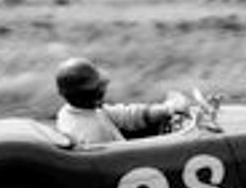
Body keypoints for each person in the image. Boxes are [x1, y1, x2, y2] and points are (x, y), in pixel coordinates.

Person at [54, 57, 187, 145]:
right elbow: (124, 160)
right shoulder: (93, 134)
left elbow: (126, 115)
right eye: (99, 87)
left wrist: (168, 109)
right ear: (95, 93)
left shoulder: (73, 111)